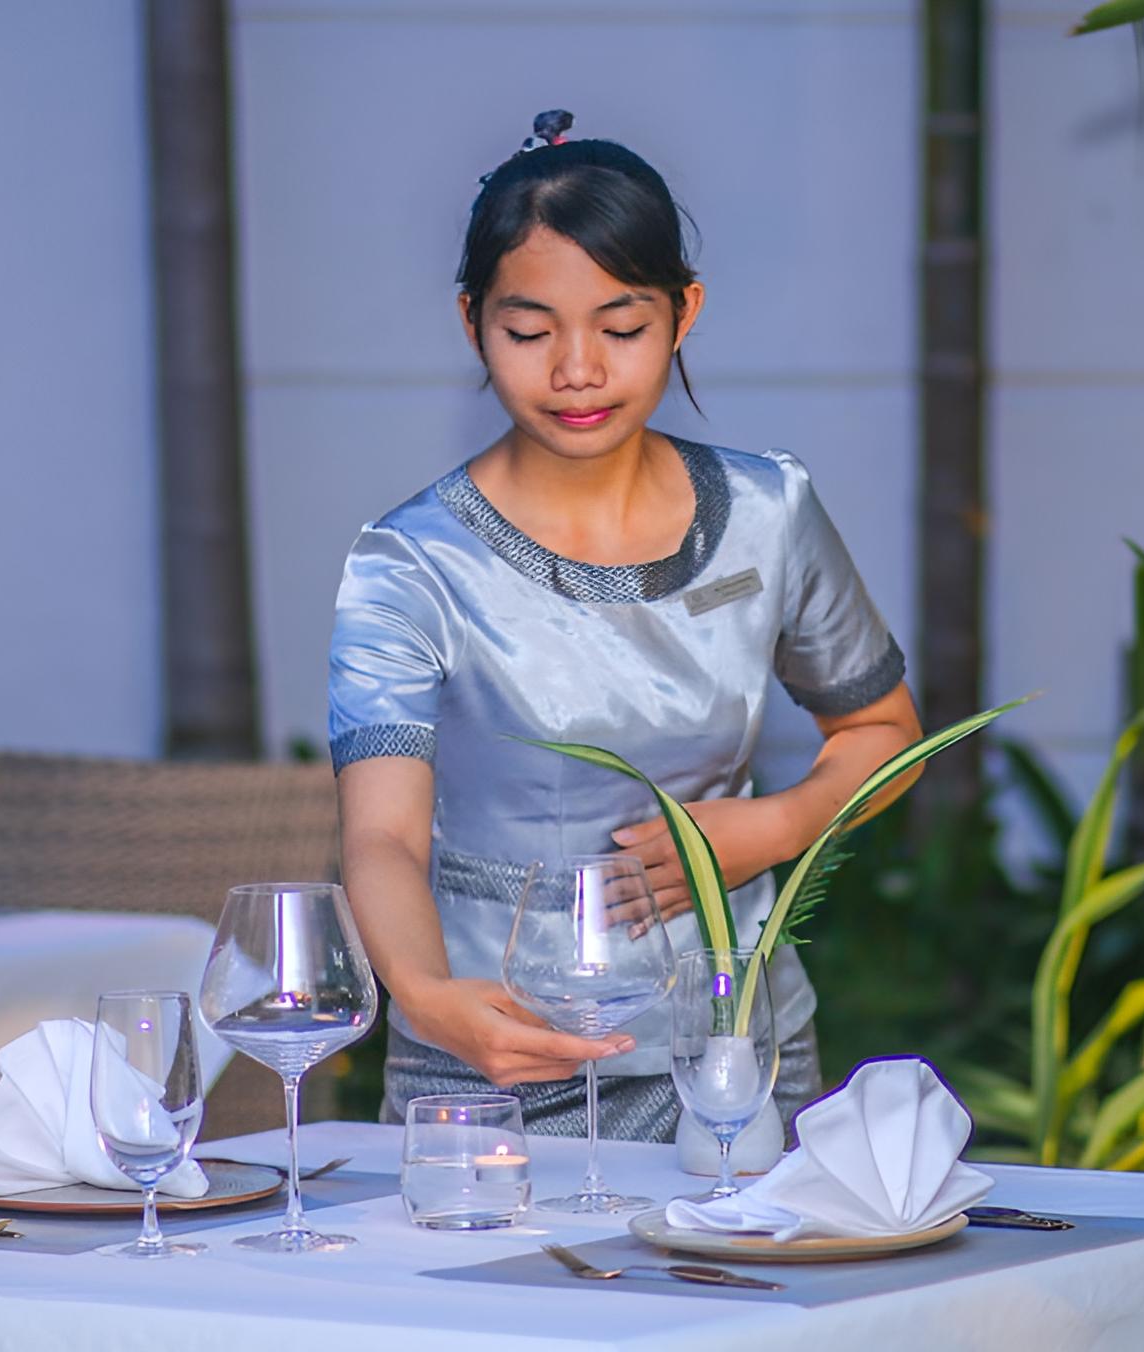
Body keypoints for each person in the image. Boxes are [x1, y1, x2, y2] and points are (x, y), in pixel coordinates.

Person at [330, 110, 922, 1140]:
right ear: (471, 321)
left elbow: (884, 731)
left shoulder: (769, 514)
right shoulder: (409, 561)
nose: (576, 369)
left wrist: (772, 827)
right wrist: (425, 996)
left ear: (684, 311)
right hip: (488, 1055)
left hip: (731, 1045)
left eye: (620, 326)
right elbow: (380, 835)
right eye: (529, 332)